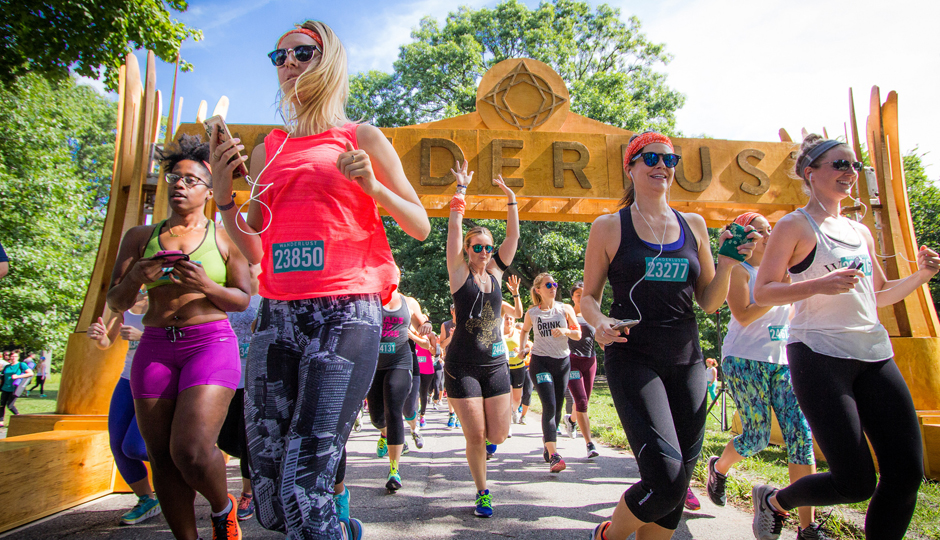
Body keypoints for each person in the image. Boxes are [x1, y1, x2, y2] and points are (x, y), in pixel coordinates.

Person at [210, 21, 430, 540]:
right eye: (279, 56)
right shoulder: (271, 148)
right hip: (278, 314)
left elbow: (419, 225)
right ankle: (343, 529)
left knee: (303, 483)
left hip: (346, 310)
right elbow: (256, 247)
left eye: (301, 53)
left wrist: (373, 186)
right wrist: (224, 198)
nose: (287, 64)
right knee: (267, 496)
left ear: (328, 60)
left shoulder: (362, 136)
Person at [751, 136, 939, 540]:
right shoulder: (794, 225)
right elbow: (763, 291)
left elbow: (879, 294)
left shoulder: (860, 231)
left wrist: (922, 276)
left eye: (854, 166)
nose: (849, 174)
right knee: (855, 483)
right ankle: (775, 501)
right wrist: (818, 285)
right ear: (810, 173)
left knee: (906, 473)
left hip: (872, 352)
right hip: (818, 353)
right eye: (839, 165)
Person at [582, 131, 755, 540]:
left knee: (678, 487)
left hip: (688, 362)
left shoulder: (693, 224)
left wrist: (729, 264)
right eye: (652, 157)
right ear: (631, 166)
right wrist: (598, 322)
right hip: (633, 357)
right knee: (666, 480)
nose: (663, 165)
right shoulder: (609, 226)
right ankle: (608, 536)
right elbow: (588, 296)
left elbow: (710, 301)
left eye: (670, 159)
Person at [106, 134, 251, 540]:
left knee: (188, 448)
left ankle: (223, 511)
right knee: (162, 459)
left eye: (191, 180)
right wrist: (136, 276)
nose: (180, 186)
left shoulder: (225, 237)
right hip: (153, 348)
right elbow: (116, 300)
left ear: (208, 190)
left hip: (210, 344)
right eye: (175, 178)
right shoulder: (140, 237)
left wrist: (205, 284)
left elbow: (242, 298)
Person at [703, 212, 820, 537]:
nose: (769, 237)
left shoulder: (787, 270)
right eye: (760, 233)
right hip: (744, 361)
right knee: (756, 437)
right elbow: (742, 315)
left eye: (771, 232)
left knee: (801, 437)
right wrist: (780, 289)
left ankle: (807, 527)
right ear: (744, 239)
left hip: (783, 362)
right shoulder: (740, 271)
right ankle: (719, 468)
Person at [444, 160, 519, 517]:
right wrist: (460, 191)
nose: (484, 252)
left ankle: (486, 449)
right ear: (467, 251)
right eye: (477, 247)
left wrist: (511, 201)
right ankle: (482, 492)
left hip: (496, 365)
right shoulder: (459, 274)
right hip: (463, 366)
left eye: (487, 247)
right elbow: (455, 229)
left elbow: (513, 237)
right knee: (475, 437)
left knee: (499, 436)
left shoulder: (495, 274)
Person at [87, 289, 162, 525]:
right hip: (127, 379)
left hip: (158, 378)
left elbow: (180, 338)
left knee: (135, 447)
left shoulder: (165, 295)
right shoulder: (122, 301)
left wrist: (143, 336)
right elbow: (106, 342)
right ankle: (146, 499)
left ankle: (184, 471)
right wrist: (99, 337)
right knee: (117, 444)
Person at [368, 291, 431, 493]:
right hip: (374, 364)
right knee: (377, 417)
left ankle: (394, 469)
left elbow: (421, 322)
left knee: (394, 409)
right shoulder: (370, 299)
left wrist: (426, 327)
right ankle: (384, 433)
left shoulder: (408, 302)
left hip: (400, 362)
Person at [519, 273, 581, 472]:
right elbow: (524, 330)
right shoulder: (532, 313)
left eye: (554, 283)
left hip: (562, 362)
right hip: (540, 362)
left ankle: (548, 443)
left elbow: (578, 334)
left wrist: (566, 332)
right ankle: (555, 456)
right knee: (549, 403)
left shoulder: (565, 309)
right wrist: (522, 348)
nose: (553, 287)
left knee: (557, 407)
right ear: (538, 290)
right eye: (548, 284)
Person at [216, 264, 262, 522]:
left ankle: (248, 493)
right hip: (225, 377)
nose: (246, 269)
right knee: (225, 440)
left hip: (255, 378)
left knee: (246, 439)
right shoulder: (226, 296)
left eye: (250, 265)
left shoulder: (267, 298)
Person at [566, 281, 600, 458]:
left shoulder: (593, 313)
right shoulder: (567, 313)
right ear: (573, 296)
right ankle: (589, 444)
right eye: (578, 294)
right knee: (581, 401)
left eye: (583, 293)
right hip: (572, 361)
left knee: (584, 400)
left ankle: (571, 420)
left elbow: (599, 336)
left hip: (590, 361)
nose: (581, 296)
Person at [439, 304, 461, 430]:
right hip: (450, 360)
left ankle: (459, 415)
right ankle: (452, 414)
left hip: (464, 360)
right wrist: (451, 337)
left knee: (462, 389)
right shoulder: (445, 325)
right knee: (451, 389)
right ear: (452, 312)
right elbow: (441, 345)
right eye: (456, 311)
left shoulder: (465, 323)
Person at [0, 350, 33, 427]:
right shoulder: (7, 366)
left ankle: (19, 417)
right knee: (2, 405)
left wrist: (18, 376)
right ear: (10, 357)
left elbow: (30, 373)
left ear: (18, 357)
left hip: (15, 388)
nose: (13, 358)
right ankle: (1, 421)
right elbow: (2, 375)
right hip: (5, 388)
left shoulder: (21, 365)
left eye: (15, 356)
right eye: (12, 356)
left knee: (10, 405)